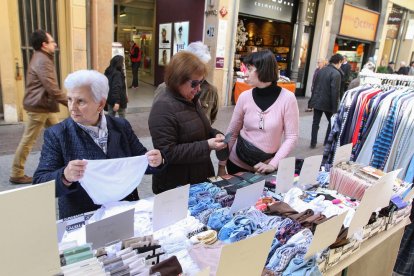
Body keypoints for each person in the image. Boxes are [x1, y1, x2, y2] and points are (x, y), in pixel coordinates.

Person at [33, 70, 165, 219]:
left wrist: (157, 160)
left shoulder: (121, 126)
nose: (72, 107)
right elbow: (40, 183)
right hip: (84, 219)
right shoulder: (58, 134)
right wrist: (65, 176)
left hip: (125, 212)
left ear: (100, 104)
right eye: (69, 99)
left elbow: (142, 160)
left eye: (80, 101)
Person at [149, 51, 226, 194]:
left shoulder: (189, 99)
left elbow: (203, 128)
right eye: (194, 84)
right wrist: (207, 145)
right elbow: (168, 152)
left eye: (201, 82)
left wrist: (215, 134)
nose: (199, 89)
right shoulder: (163, 107)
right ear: (178, 80)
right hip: (176, 185)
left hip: (198, 177)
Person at [218, 50, 299, 176]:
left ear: (263, 70)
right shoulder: (245, 96)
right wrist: (222, 164)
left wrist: (273, 164)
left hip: (266, 167)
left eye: (250, 69)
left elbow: (291, 137)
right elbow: (232, 132)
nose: (246, 73)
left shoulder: (287, 98)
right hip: (237, 163)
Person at [9, 29, 68, 185]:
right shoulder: (43, 60)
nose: (55, 44)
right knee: (28, 140)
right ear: (44, 45)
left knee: (61, 135)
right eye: (52, 41)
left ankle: (67, 164)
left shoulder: (41, 57)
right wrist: (71, 103)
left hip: (44, 106)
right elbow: (52, 88)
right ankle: (16, 172)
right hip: (39, 107)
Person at [154, 41, 219, 124]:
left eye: (203, 65)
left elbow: (211, 118)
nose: (200, 70)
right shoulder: (164, 88)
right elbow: (158, 120)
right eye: (195, 66)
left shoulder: (210, 91)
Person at [309, 53, 343, 149]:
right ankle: (326, 142)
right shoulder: (336, 74)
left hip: (317, 100)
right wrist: (335, 108)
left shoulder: (321, 70)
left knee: (315, 122)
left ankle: (313, 142)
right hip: (327, 102)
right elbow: (335, 92)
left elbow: (315, 86)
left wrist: (312, 100)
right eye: (341, 63)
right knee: (331, 122)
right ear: (339, 62)